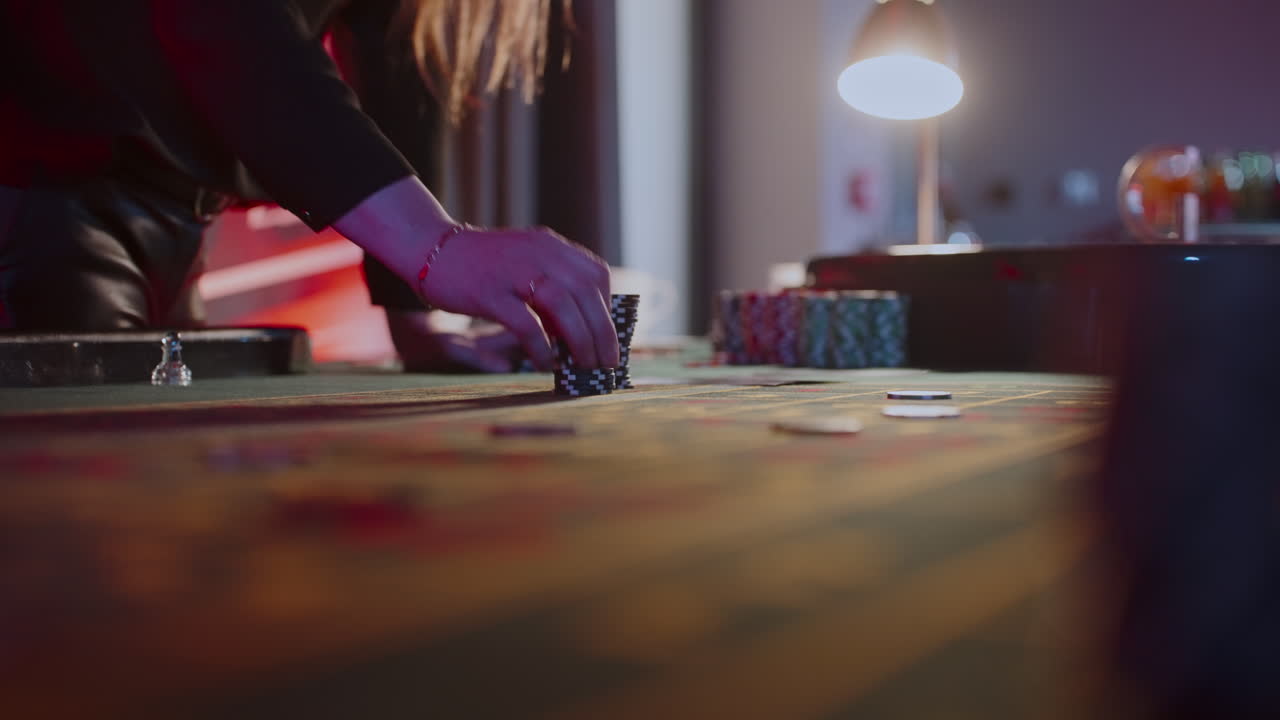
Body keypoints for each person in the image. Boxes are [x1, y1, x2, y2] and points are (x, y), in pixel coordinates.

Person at [0, 0, 619, 373]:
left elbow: (397, 57)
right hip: (38, 186)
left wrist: (412, 317)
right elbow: (220, 16)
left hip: (176, 216)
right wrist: (437, 245)